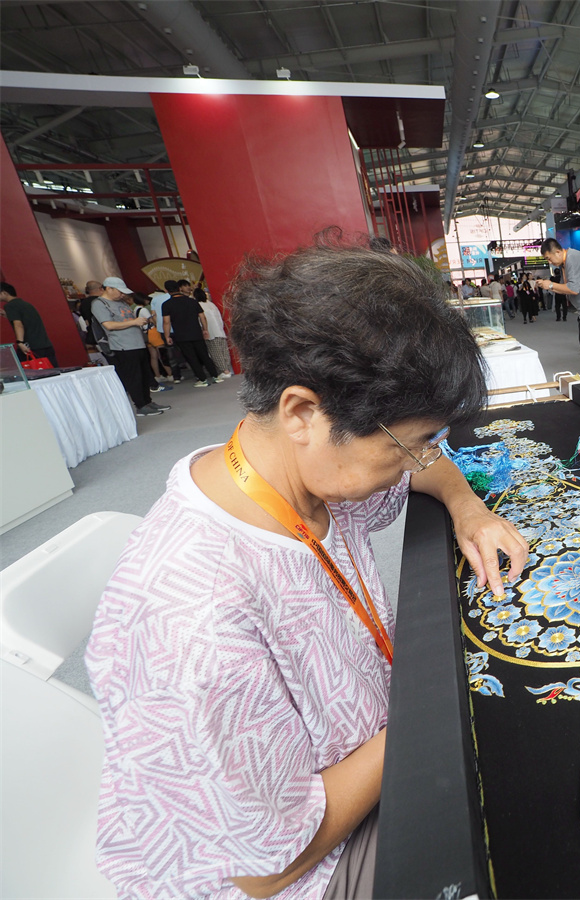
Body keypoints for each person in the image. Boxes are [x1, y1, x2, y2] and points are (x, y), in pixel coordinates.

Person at [86, 236, 529, 899]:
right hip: (298, 869)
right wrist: (437, 697)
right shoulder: (194, 622)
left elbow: (426, 462)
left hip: (355, 756)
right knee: (526, 801)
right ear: (302, 413)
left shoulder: (297, 470)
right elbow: (269, 866)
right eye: (407, 446)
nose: (418, 463)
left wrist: (469, 508)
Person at [92, 277, 171, 416]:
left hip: (138, 343)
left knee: (144, 375)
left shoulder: (121, 302)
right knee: (133, 377)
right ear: (109, 288)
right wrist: (134, 322)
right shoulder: (100, 304)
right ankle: (140, 405)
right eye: (119, 291)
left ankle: (147, 401)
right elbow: (108, 325)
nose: (122, 295)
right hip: (123, 346)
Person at [537, 238, 580, 376]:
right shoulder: (565, 263)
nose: (549, 263)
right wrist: (550, 286)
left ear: (557, 252)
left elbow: (573, 288)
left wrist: (550, 285)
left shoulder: (573, 258)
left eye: (549, 259)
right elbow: (564, 288)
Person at [164, 282, 222, 387]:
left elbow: (166, 322)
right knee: (204, 354)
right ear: (179, 288)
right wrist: (205, 329)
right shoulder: (192, 301)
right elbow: (202, 317)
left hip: (182, 335)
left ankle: (202, 379)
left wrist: (167, 336)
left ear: (166, 290)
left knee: (192, 358)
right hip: (196, 332)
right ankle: (215, 376)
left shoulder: (167, 304)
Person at [0, 282, 58, 367]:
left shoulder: (10, 306)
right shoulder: (26, 304)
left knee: (30, 374)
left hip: (30, 346)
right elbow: (26, 321)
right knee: (53, 371)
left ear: (5, 293)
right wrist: (7, 315)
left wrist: (20, 342)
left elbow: (18, 324)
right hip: (45, 345)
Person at [131, 293, 174, 390]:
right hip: (153, 332)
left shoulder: (135, 310)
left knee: (153, 356)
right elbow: (152, 320)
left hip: (145, 334)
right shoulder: (144, 310)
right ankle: (170, 374)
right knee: (162, 354)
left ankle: (157, 376)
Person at [196, 286, 234, 375]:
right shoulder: (212, 304)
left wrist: (203, 330)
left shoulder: (199, 305)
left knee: (216, 353)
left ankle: (224, 371)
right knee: (224, 351)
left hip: (210, 332)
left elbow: (202, 319)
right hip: (220, 330)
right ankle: (228, 369)